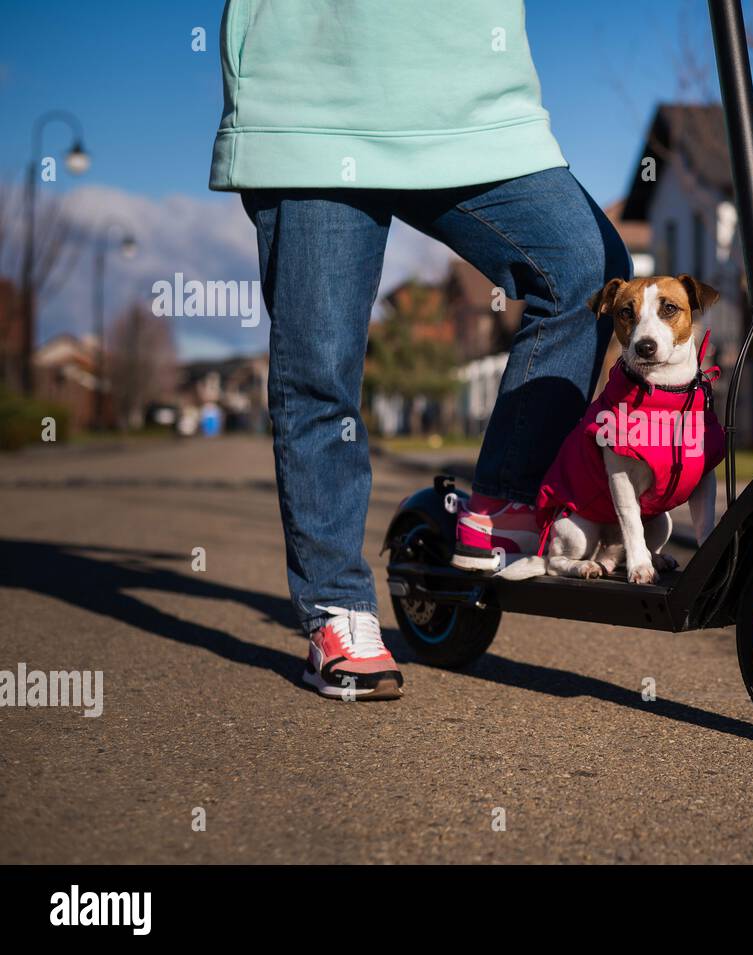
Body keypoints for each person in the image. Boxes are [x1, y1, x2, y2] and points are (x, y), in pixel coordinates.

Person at [210, 0, 630, 700]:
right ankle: (338, 607)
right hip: (314, 91)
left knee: (587, 270)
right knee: (320, 365)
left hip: (470, 96)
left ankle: (503, 507)